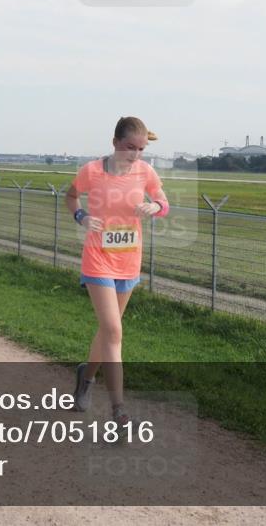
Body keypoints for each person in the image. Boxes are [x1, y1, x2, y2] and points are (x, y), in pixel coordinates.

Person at [66, 116, 169, 424]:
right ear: (115, 143)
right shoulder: (92, 171)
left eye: (140, 149)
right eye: (129, 147)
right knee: (113, 331)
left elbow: (163, 202)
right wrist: (82, 217)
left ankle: (87, 376)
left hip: (128, 261)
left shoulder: (145, 171)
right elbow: (71, 196)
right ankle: (119, 411)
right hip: (98, 258)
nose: (135, 155)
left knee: (107, 331)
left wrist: (155, 207)